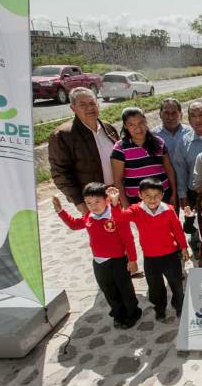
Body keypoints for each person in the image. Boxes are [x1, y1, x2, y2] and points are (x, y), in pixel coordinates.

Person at [52, 183, 141, 329]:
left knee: (125, 289)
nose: (93, 206)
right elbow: (74, 224)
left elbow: (128, 239)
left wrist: (132, 260)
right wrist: (60, 211)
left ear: (107, 200)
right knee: (108, 290)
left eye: (97, 202)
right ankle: (118, 314)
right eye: (88, 203)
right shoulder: (89, 217)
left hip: (118, 262)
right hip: (99, 263)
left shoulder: (116, 216)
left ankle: (133, 312)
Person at [110, 179, 189, 321]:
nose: (153, 199)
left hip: (171, 256)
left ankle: (179, 305)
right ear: (140, 195)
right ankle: (160, 308)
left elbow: (177, 230)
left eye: (156, 195)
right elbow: (120, 219)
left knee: (176, 284)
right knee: (155, 288)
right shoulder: (136, 210)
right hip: (150, 259)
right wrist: (115, 203)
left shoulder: (169, 210)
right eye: (148, 195)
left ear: (162, 194)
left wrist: (183, 247)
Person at [48, 87, 118, 215]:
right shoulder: (63, 135)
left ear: (98, 105)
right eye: (83, 104)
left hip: (115, 195)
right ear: (73, 108)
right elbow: (60, 173)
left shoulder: (108, 128)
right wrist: (80, 203)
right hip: (92, 201)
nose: (89, 108)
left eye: (92, 103)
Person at [110, 107, 177, 208]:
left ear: (146, 121)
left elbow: (169, 170)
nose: (138, 128)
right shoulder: (120, 148)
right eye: (132, 124)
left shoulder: (159, 143)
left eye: (141, 122)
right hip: (137, 202)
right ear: (125, 126)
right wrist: (126, 205)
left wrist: (174, 194)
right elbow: (118, 181)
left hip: (163, 198)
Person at [152, 98, 191, 162]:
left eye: (174, 113)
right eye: (166, 113)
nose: (170, 117)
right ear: (160, 114)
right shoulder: (153, 136)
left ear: (181, 115)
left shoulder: (190, 133)